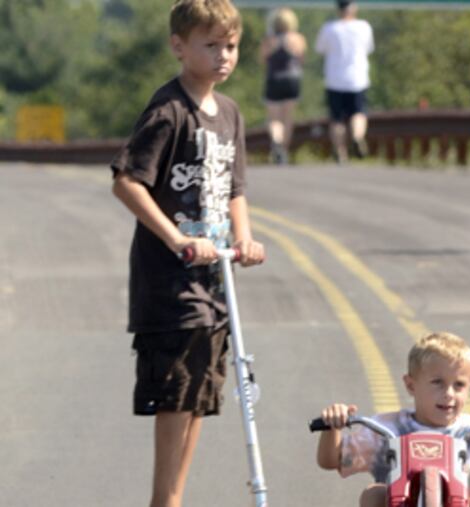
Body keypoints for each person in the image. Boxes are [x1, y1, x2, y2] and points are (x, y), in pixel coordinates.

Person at [110, 1, 266, 506]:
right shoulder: (169, 110)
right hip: (170, 285)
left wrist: (243, 238)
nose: (223, 55)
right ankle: (166, 499)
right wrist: (176, 239)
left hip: (216, 283)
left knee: (199, 391)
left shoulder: (231, 114)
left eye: (231, 45)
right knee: (176, 391)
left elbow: (234, 189)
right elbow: (128, 182)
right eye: (211, 45)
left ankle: (174, 495)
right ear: (179, 46)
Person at [316, 332, 470, 507]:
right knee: (374, 494)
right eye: (437, 382)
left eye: (459, 385)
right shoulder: (389, 428)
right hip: (401, 500)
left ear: (469, 389)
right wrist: (332, 427)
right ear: (410, 385)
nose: (449, 393)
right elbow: (331, 460)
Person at [315, 0, 374, 164]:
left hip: (335, 79)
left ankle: (341, 152)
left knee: (336, 119)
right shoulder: (364, 27)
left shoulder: (329, 28)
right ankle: (357, 136)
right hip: (357, 78)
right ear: (353, 8)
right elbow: (369, 48)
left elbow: (320, 49)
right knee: (358, 113)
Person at [259, 7, 307, 165]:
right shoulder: (298, 39)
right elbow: (301, 60)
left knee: (274, 119)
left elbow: (263, 60)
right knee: (287, 118)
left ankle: (276, 143)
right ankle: (284, 151)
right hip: (292, 80)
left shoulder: (269, 39)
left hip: (274, 79)